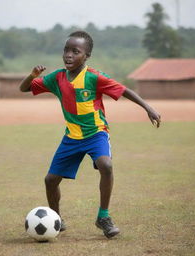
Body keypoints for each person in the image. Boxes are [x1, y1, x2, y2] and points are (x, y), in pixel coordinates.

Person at [19, 31, 161, 239]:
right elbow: (24, 88)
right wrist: (32, 75)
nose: (69, 55)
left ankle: (103, 217)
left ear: (86, 56)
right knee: (50, 180)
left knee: (106, 165)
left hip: (96, 134)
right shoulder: (57, 78)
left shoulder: (95, 77)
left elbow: (124, 90)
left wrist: (148, 108)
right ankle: (56, 219)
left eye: (75, 51)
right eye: (66, 50)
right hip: (72, 137)